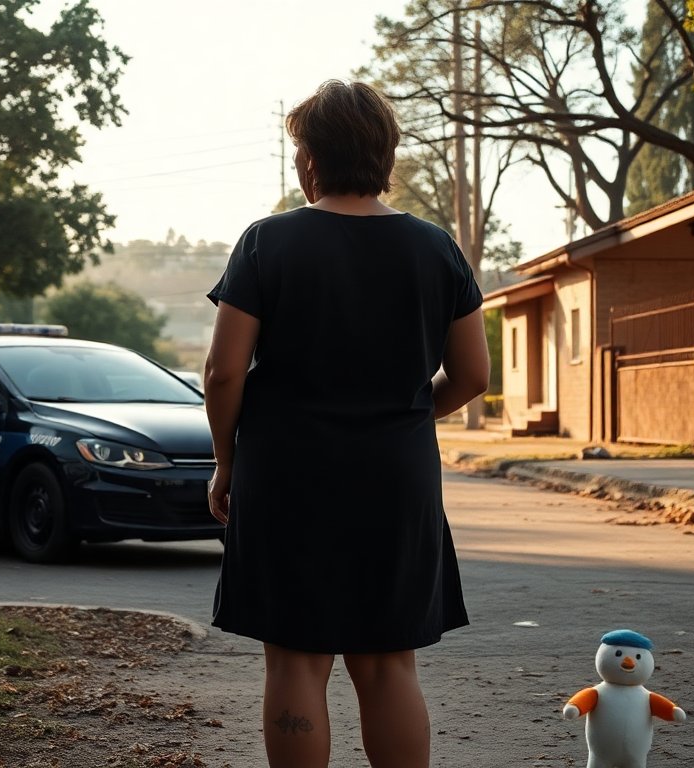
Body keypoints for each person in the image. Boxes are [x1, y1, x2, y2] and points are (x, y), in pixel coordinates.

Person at [203, 80, 490, 768]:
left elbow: (221, 372)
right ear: (383, 156)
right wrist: (409, 412)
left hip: (288, 474)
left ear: (310, 160)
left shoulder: (267, 243)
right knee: (388, 663)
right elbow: (474, 376)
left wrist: (225, 462)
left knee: (296, 659)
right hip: (397, 478)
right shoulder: (436, 249)